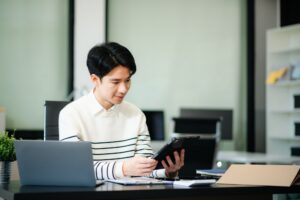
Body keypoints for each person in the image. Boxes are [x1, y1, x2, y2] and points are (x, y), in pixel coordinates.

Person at [59, 42, 184, 180]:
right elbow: (76, 168)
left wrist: (167, 172)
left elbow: (144, 169)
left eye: (128, 80)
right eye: (116, 82)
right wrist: (124, 168)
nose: (124, 89)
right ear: (95, 79)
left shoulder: (136, 115)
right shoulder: (71, 114)